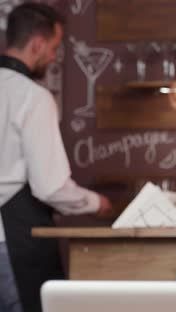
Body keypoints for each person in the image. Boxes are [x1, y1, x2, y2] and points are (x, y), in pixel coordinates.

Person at [0, 3, 113, 312]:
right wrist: (96, 204)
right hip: (12, 244)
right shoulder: (32, 96)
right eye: (53, 48)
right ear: (36, 43)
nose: (52, 57)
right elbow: (49, 186)